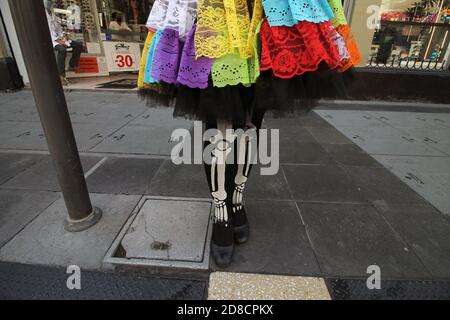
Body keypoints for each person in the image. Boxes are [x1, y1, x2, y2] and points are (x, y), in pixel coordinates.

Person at [138, 0, 361, 268]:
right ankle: (221, 211)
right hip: (213, 15)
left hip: (263, 11)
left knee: (251, 120)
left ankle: (236, 201)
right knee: (218, 125)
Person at [44, 0, 84, 85]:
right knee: (62, 50)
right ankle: (61, 76)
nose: (49, 3)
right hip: (51, 40)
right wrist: (59, 41)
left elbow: (59, 29)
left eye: (50, 2)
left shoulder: (54, 15)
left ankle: (72, 65)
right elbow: (46, 32)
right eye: (47, 2)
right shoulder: (43, 16)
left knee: (79, 45)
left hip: (60, 39)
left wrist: (63, 37)